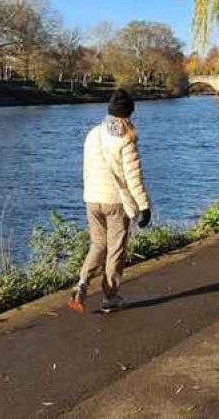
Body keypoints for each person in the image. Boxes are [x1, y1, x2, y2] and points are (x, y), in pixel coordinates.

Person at [70, 89, 152, 313]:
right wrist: (144, 206)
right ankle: (110, 298)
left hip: (92, 199)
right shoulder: (126, 138)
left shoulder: (93, 134)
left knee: (98, 245)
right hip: (115, 202)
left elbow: (86, 169)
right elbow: (133, 176)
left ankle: (82, 283)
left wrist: (90, 194)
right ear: (127, 114)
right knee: (115, 249)